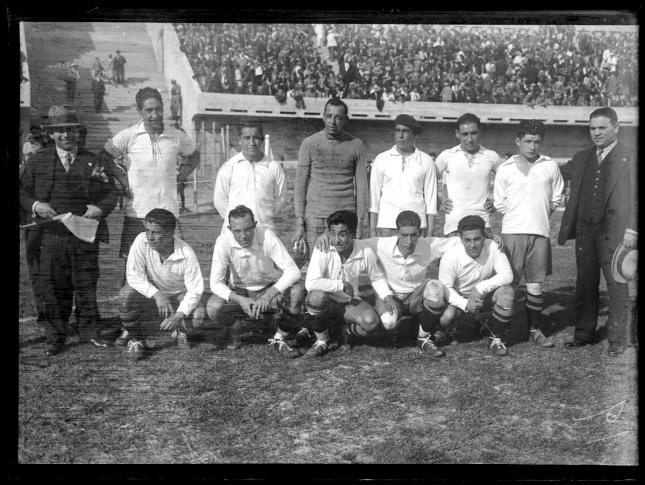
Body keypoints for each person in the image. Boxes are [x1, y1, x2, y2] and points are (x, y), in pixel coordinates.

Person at [102, 87, 199, 344]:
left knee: (174, 268)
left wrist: (181, 177)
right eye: (149, 110)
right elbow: (105, 154)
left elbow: (194, 155)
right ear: (139, 112)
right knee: (131, 270)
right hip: (137, 214)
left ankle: (179, 321)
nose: (155, 114)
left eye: (158, 109)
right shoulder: (130, 136)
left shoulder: (177, 136)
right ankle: (129, 325)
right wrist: (122, 180)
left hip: (168, 213)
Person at [19, 105, 118, 355]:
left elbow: (110, 193)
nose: (66, 135)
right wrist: (36, 204)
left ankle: (90, 331)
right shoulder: (38, 161)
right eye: (60, 131)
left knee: (85, 283)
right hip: (49, 237)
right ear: (51, 134)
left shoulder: (92, 161)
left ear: (78, 132)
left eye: (71, 130)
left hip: (83, 234)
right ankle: (56, 336)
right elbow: (22, 192)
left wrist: (99, 208)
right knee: (53, 286)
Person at [315, 210, 462, 354]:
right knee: (388, 323)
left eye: (414, 235)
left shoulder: (429, 244)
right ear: (397, 233)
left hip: (417, 295)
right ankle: (346, 331)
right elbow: (350, 239)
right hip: (390, 296)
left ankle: (423, 338)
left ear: (420, 233)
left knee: (436, 288)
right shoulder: (380, 244)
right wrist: (326, 235)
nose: (409, 241)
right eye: (404, 235)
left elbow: (459, 240)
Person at [558, 107, 637, 356]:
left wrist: (633, 230)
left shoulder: (631, 156)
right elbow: (551, 172)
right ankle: (583, 334)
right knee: (585, 283)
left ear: (616, 128)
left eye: (602, 128)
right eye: (592, 128)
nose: (596, 133)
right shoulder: (582, 157)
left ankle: (617, 339)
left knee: (617, 284)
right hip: (585, 231)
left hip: (617, 233)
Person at [494, 120, 564, 347]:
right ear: (518, 141)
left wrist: (538, 217)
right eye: (527, 141)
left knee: (535, 285)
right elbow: (500, 204)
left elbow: (555, 199)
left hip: (539, 232)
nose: (532, 146)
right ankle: (501, 332)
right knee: (508, 282)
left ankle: (534, 329)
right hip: (512, 232)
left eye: (537, 142)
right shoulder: (505, 167)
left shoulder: (550, 165)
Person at [207, 205, 305, 357]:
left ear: (255, 225)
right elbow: (215, 283)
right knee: (214, 307)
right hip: (240, 290)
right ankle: (236, 330)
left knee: (297, 290)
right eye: (237, 231)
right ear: (229, 228)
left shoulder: (268, 236)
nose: (243, 236)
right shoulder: (223, 241)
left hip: (268, 287)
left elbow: (293, 271)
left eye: (248, 229)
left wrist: (269, 294)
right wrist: (240, 300)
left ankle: (280, 336)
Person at [304, 210, 397, 358]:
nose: (336, 239)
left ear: (353, 233)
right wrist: (341, 285)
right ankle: (322, 341)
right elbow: (311, 283)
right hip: (326, 302)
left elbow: (377, 278)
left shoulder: (365, 250)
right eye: (333, 233)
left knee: (371, 322)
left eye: (342, 234)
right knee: (315, 298)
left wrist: (387, 296)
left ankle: (343, 330)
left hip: (348, 302)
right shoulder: (322, 247)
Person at [118, 208, 207, 360]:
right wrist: (157, 294)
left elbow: (195, 290)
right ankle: (137, 340)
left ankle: (181, 331)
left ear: (171, 233)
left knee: (199, 316)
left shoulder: (186, 252)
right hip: (155, 296)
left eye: (156, 232)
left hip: (179, 296)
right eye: (147, 230)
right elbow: (133, 276)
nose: (150, 237)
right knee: (125, 294)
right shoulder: (141, 240)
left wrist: (178, 316)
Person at [427, 215, 515, 357]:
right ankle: (447, 328)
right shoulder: (450, 256)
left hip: (483, 296)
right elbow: (445, 287)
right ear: (461, 238)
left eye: (477, 239)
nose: (472, 245)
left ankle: (496, 338)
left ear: (484, 237)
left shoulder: (493, 246)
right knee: (447, 316)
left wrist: (480, 289)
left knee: (507, 293)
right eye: (467, 240)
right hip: (458, 297)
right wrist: (465, 303)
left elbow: (507, 275)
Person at [294, 97, 369, 259]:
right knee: (317, 265)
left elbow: (362, 188)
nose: (332, 122)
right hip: (316, 216)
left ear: (346, 120)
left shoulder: (356, 145)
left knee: (344, 265)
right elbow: (300, 186)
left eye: (338, 117)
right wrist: (300, 221)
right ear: (323, 116)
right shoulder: (309, 144)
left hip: (346, 217)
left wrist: (360, 224)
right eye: (329, 116)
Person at [435, 113, 504, 237]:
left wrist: (497, 204)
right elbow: (426, 179)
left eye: (473, 133)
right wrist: (439, 202)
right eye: (465, 134)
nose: (469, 139)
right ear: (457, 134)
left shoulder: (491, 156)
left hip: (482, 223)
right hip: (454, 224)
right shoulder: (447, 155)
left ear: (480, 132)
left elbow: (510, 179)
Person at [369, 114, 437, 238]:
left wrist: (430, 232)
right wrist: (373, 230)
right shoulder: (381, 159)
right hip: (388, 224)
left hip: (416, 226)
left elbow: (431, 200)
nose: (400, 136)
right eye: (398, 131)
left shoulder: (426, 161)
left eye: (405, 131)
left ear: (414, 135)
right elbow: (374, 198)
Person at [213, 121, 286, 232]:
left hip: (265, 231)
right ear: (240, 140)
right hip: (235, 232)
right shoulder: (228, 167)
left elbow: (280, 199)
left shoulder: (274, 167)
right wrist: (238, 223)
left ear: (261, 140)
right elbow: (220, 200)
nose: (252, 143)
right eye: (247, 138)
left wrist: (264, 217)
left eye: (256, 138)